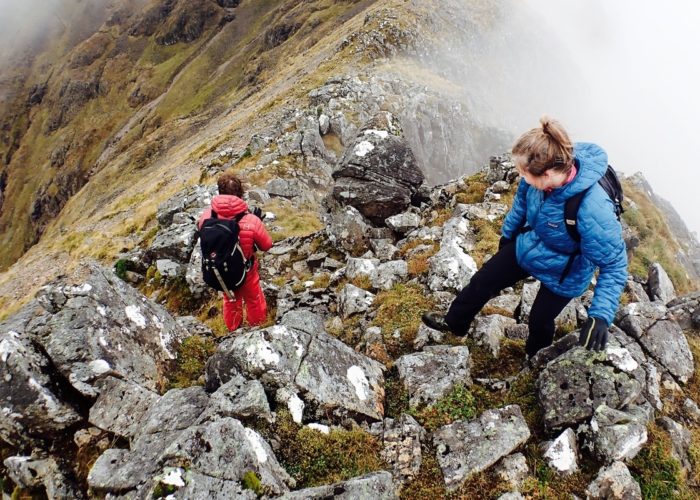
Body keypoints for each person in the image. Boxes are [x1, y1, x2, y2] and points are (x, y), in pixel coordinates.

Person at [422, 116, 628, 357]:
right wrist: (508, 237)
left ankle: (535, 358)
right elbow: (520, 204)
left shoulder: (593, 208)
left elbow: (614, 264)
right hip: (531, 244)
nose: (522, 177)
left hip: (566, 271)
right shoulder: (538, 174)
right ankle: (454, 323)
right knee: (484, 280)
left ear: (548, 174)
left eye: (525, 174)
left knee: (540, 319)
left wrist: (600, 315)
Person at [198, 172, 273, 331]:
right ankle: (258, 329)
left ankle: (233, 332)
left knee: (230, 300)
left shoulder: (206, 216)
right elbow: (267, 245)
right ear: (240, 193)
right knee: (253, 299)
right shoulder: (250, 220)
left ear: (220, 192)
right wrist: (257, 222)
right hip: (247, 270)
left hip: (221, 270)